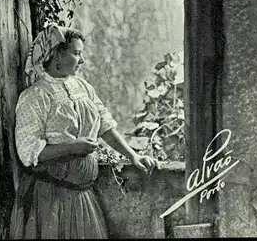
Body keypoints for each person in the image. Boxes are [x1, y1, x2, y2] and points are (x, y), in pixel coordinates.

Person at [9, 22, 160, 239]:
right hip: (50, 199)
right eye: (76, 53)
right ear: (57, 56)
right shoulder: (35, 96)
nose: (82, 60)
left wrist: (133, 156)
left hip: (82, 197)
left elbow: (105, 125)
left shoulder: (82, 87)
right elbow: (28, 152)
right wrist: (72, 147)